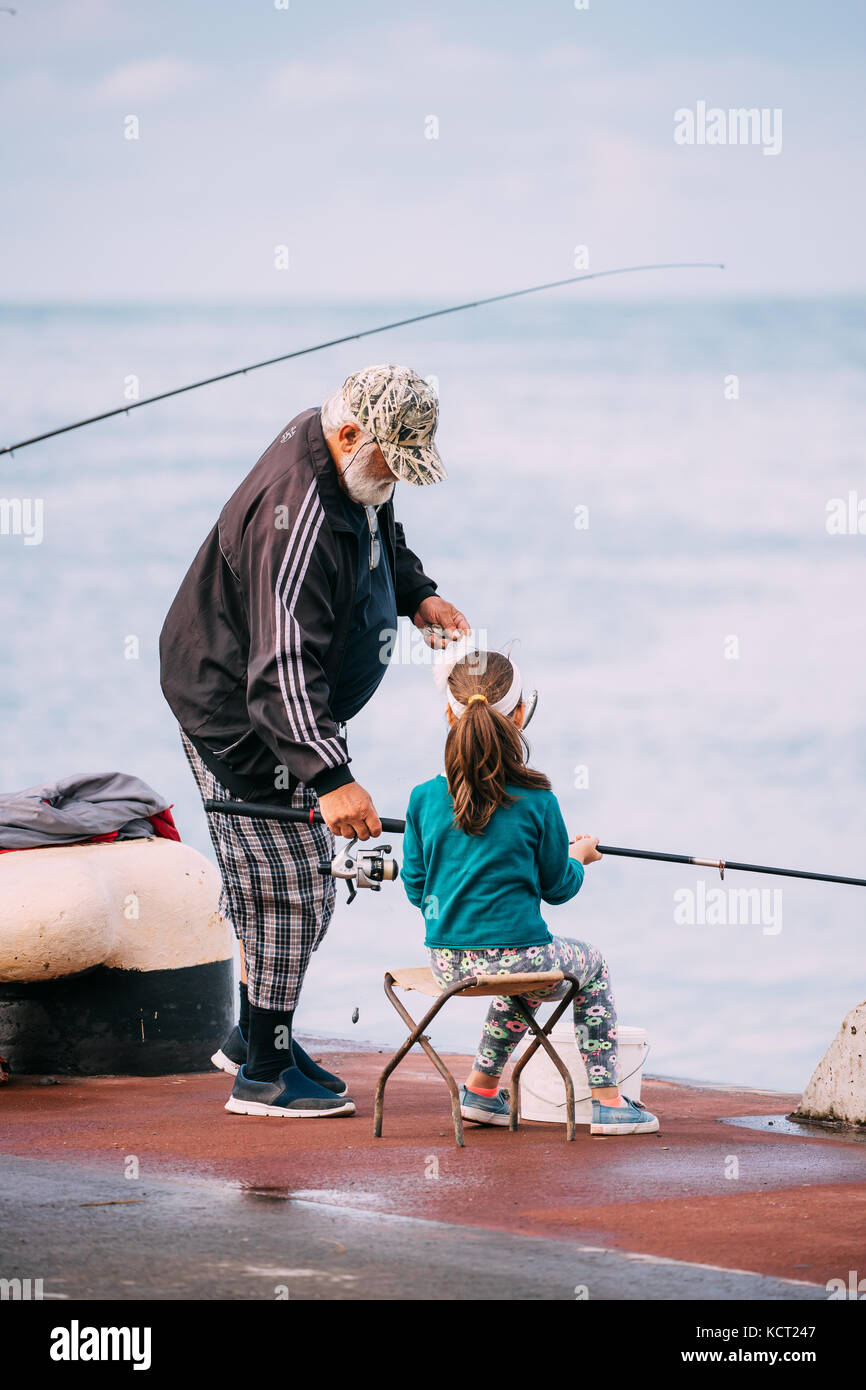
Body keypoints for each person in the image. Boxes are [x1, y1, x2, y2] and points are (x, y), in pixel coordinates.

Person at [159, 364, 469, 1119]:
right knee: (290, 891)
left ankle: (254, 1034)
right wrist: (332, 778)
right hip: (240, 718)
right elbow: (279, 666)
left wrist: (414, 590)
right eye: (393, 461)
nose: (395, 477)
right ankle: (261, 1074)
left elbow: (378, 530)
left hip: (288, 715)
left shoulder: (346, 461)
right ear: (353, 434)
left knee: (293, 883)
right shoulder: (295, 513)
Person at [400, 646, 659, 1136]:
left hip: (448, 964)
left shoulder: (422, 798)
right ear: (520, 714)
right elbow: (558, 888)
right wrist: (578, 858)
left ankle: (480, 1090)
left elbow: (417, 890)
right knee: (587, 964)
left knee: (518, 966)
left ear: (449, 714)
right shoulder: (539, 800)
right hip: (517, 960)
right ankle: (607, 1101)